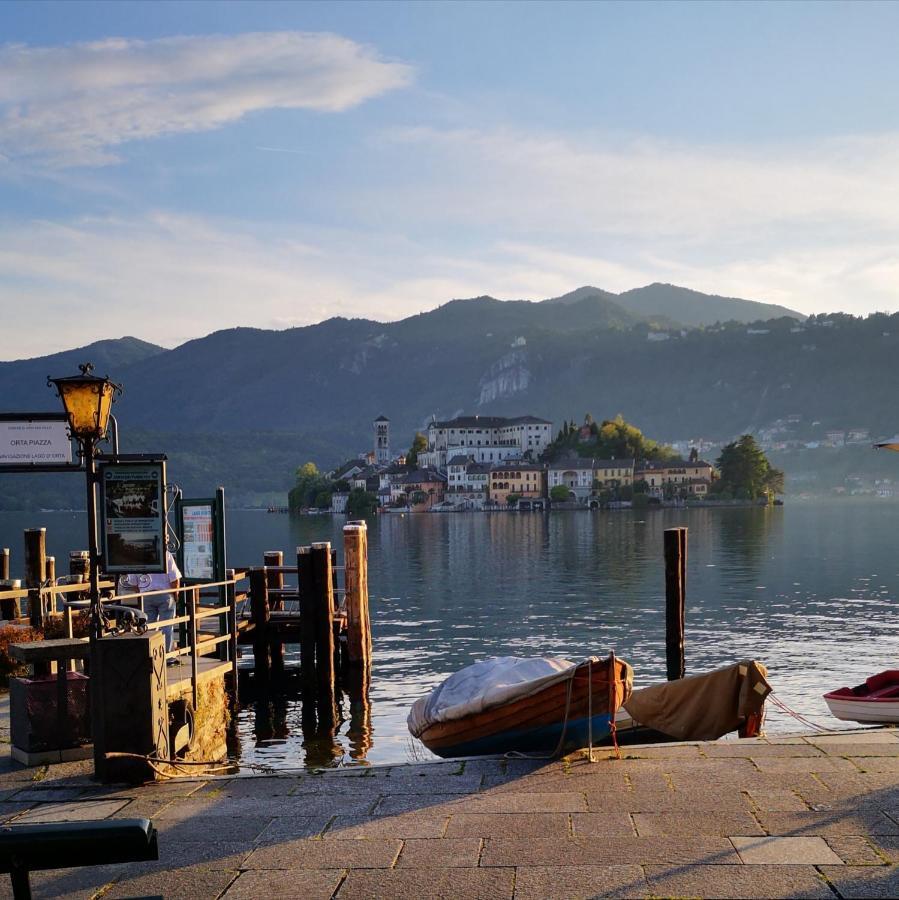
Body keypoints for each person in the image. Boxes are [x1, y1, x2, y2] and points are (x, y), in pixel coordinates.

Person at [118, 550, 181, 663]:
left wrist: (142, 593)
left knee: (148, 626)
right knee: (166, 626)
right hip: (165, 594)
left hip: (146, 595)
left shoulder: (136, 555)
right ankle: (167, 656)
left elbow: (134, 583)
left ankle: (151, 655)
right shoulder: (165, 554)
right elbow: (174, 579)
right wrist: (175, 595)